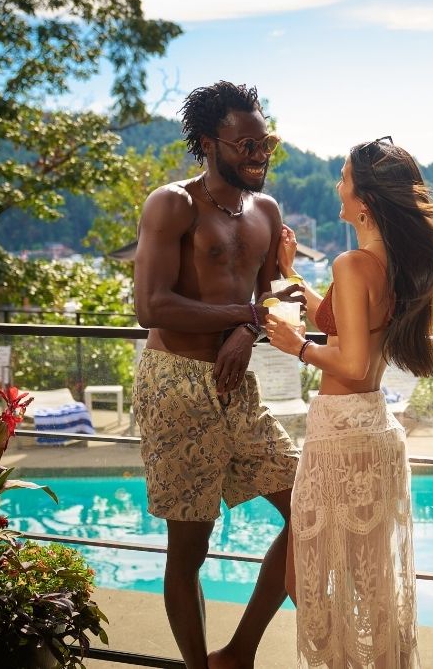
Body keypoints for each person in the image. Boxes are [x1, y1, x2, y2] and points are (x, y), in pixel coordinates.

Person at [265, 136, 433, 668]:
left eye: (345, 177)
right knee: (372, 587)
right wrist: (291, 276)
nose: (338, 185)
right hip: (371, 427)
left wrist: (297, 346)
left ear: (365, 202)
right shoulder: (388, 264)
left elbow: (350, 362)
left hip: (341, 434)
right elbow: (348, 324)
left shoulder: (352, 264)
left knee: (305, 578)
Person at [132, 80, 303, 669]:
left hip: (238, 388)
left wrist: (247, 327)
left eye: (266, 142)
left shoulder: (266, 210)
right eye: (247, 143)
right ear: (210, 143)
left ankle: (239, 653)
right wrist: (245, 315)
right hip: (175, 384)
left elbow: (269, 294)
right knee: (190, 548)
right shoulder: (172, 204)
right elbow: (150, 305)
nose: (260, 154)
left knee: (310, 508)